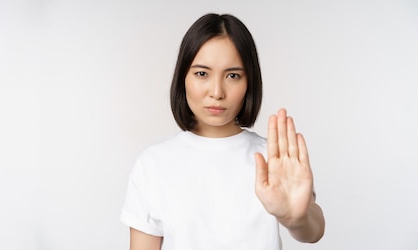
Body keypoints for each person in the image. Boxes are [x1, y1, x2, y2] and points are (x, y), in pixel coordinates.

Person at [121, 13, 325, 249]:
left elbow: (313, 231)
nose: (217, 91)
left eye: (232, 75)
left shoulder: (272, 159)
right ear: (182, 78)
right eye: (202, 73)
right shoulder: (153, 163)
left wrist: (295, 219)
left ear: (249, 82)